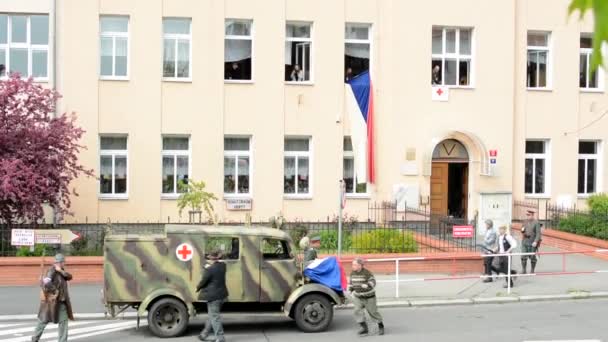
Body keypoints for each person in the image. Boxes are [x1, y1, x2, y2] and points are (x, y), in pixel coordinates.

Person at [32, 253, 74, 342]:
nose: (64, 263)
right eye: (63, 262)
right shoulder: (51, 271)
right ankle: (34, 339)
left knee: (63, 322)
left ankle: (62, 340)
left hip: (61, 302)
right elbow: (46, 283)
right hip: (51, 302)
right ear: (59, 262)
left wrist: (61, 271)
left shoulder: (61, 271)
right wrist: (55, 291)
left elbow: (70, 277)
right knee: (43, 321)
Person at [196, 251, 229, 342]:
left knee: (214, 317)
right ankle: (204, 334)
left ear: (211, 259)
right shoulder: (223, 266)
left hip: (213, 297)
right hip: (222, 295)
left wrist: (197, 288)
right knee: (212, 316)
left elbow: (203, 281)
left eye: (208, 258)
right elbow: (219, 266)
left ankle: (220, 338)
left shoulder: (209, 269)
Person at [348, 258, 384, 336]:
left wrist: (367, 285)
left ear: (360, 265)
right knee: (357, 311)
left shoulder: (367, 273)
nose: (352, 266)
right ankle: (364, 328)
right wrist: (350, 290)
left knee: (373, 312)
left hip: (369, 296)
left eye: (354, 265)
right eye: (352, 264)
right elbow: (351, 283)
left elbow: (373, 281)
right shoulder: (352, 273)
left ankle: (381, 326)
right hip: (358, 296)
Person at [521, 209, 542, 274]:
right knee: (523, 256)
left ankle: (532, 270)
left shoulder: (536, 223)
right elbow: (522, 230)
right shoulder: (525, 221)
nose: (527, 216)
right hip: (525, 241)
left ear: (532, 215)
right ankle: (524, 270)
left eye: (529, 215)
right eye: (527, 215)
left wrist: (535, 241)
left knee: (532, 257)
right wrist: (522, 231)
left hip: (532, 242)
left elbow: (538, 233)